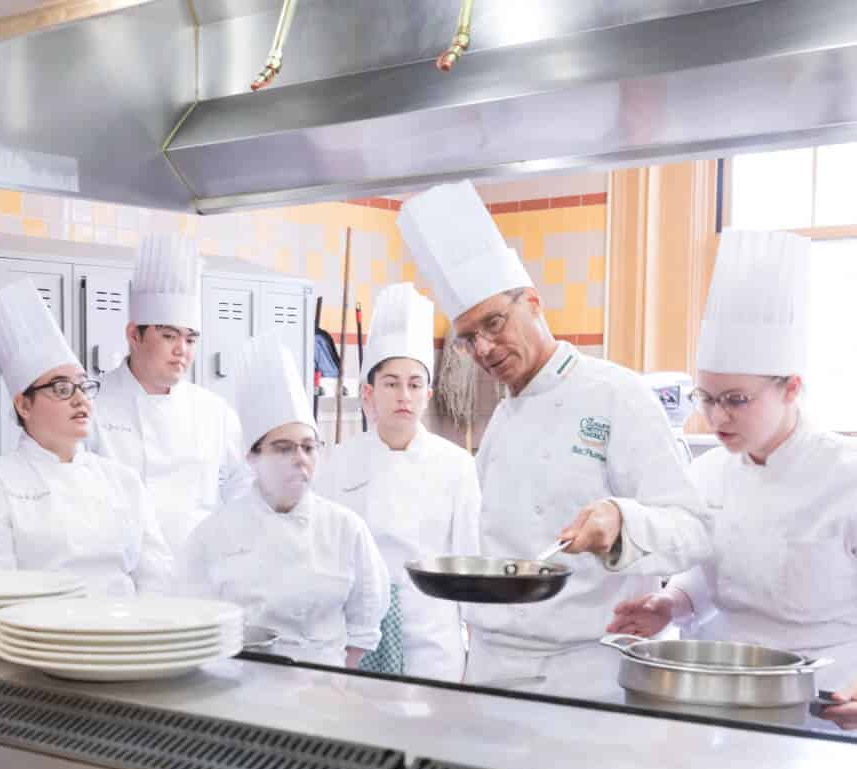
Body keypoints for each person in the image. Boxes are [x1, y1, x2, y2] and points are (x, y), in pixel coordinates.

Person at [397, 181, 711, 697]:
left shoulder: (618, 395)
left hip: (582, 674)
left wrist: (620, 522)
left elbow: (692, 531)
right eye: (468, 338)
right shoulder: (504, 417)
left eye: (495, 323)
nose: (484, 347)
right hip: (490, 667)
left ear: (534, 303)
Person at [607, 230, 857, 698]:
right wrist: (669, 603)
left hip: (827, 695)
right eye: (707, 398)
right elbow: (707, 573)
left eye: (737, 400)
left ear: (791, 388)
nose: (718, 416)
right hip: (718, 684)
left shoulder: (847, 477)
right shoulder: (707, 474)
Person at [0, 276, 172, 596]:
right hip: (37, 641)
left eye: (83, 386)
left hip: (126, 635)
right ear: (24, 405)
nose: (81, 399)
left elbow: (156, 575)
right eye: (62, 389)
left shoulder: (122, 480)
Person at [179, 333, 390, 668]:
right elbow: (192, 626)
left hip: (325, 688)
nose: (300, 458)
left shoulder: (345, 528)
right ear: (252, 456)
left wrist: (336, 682)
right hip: (239, 686)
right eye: (284, 448)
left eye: (308, 447)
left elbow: (364, 623)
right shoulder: (214, 534)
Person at [314, 282, 480, 680]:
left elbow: (471, 563)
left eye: (414, 383)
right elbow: (323, 555)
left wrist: (477, 645)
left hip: (434, 644)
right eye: (391, 383)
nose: (404, 395)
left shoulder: (457, 465)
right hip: (357, 638)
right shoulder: (338, 461)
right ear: (369, 393)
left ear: (428, 393)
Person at [88, 234, 249, 555]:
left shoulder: (214, 412)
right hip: (120, 579)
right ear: (134, 334)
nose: (181, 351)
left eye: (190, 339)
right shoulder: (91, 406)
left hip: (200, 577)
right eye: (168, 336)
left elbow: (243, 484)